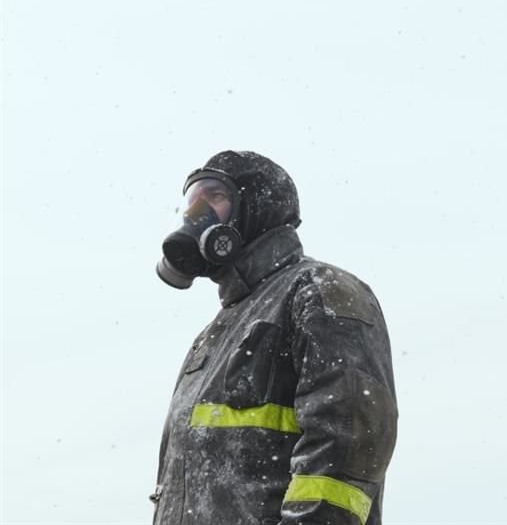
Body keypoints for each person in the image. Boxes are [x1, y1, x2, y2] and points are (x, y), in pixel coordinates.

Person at [152, 150, 397, 525]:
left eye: (214, 197)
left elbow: (349, 446)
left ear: (257, 209)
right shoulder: (214, 336)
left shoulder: (320, 292)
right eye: (192, 202)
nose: (194, 216)